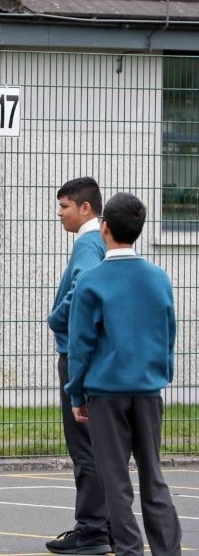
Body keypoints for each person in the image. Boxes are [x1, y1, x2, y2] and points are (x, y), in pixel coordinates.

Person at [64, 192, 181, 556]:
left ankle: (130, 550)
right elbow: (168, 331)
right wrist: (162, 374)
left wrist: (76, 393)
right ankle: (167, 550)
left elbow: (81, 345)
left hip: (106, 392)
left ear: (104, 228)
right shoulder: (158, 278)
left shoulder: (92, 281)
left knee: (115, 482)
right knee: (153, 476)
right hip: (148, 389)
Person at [45, 177, 109, 555]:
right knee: (100, 445)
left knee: (83, 446)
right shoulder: (99, 239)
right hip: (96, 355)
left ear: (85, 208)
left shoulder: (86, 241)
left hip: (77, 355)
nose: (59, 213)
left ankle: (91, 530)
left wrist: (57, 317)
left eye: (65, 205)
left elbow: (83, 285)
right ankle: (107, 525)